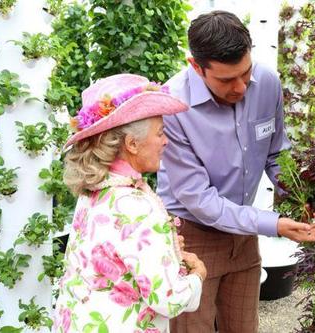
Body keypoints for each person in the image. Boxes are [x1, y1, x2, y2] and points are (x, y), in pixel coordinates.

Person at [156, 10, 315, 333]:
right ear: (196, 66)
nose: (241, 87)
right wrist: (274, 225)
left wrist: (301, 194)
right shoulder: (172, 107)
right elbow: (201, 201)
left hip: (243, 236)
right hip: (191, 238)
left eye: (245, 73)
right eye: (225, 80)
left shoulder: (266, 83)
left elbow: (276, 154)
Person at [53, 74, 207, 333]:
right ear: (132, 144)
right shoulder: (138, 206)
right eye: (160, 133)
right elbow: (169, 299)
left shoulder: (94, 190)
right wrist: (197, 276)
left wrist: (165, 248)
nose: (166, 141)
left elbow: (113, 263)